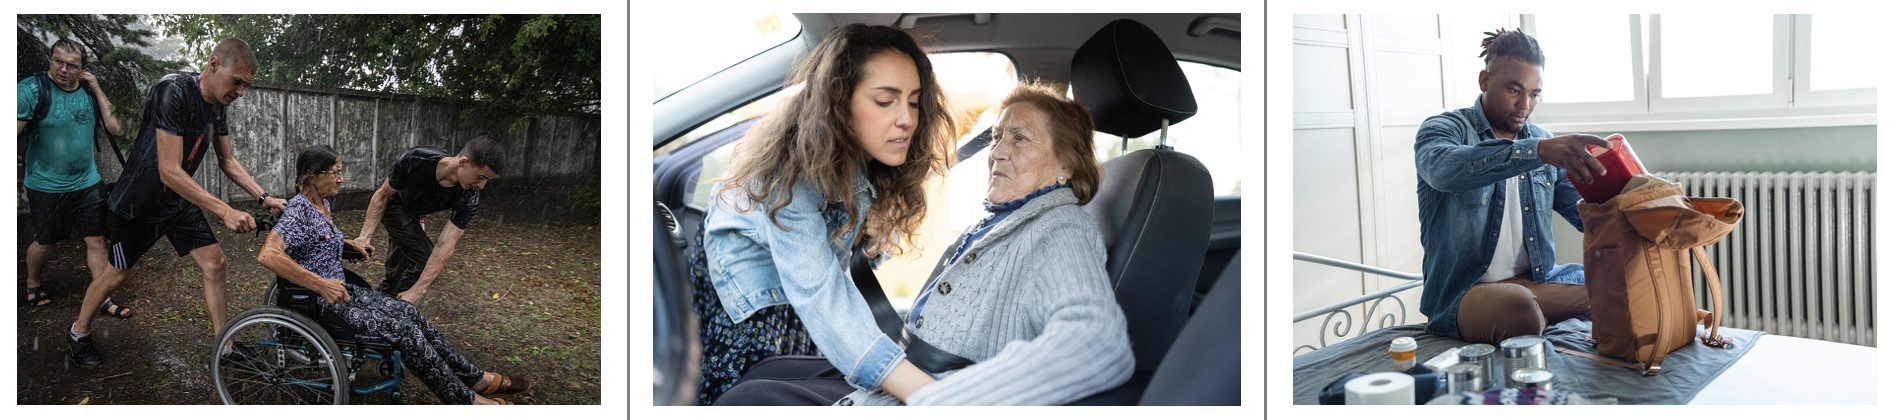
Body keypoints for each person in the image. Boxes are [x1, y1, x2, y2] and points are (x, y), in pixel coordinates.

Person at [715, 81, 1131, 406]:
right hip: (914, 375)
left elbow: (1095, 343)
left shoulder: (1060, 228)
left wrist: (941, 401)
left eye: (1020, 138)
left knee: (745, 401)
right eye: (997, 137)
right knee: (760, 377)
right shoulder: (1005, 222)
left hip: (930, 394)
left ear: (1067, 165)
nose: (997, 152)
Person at [689, 23, 957, 405]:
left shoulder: (865, 164)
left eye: (913, 102)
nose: (907, 120)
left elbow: (846, 271)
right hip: (755, 313)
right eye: (885, 101)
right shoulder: (788, 182)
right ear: (838, 104)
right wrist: (941, 399)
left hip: (799, 305)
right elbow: (823, 299)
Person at [67, 37, 288, 367]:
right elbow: (168, 170)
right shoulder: (173, 90)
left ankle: (224, 348)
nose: (240, 92)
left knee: (215, 265)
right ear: (214, 64)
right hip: (138, 204)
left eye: (245, 86)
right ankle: (78, 333)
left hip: (177, 200)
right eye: (238, 82)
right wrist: (223, 209)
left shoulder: (217, 107)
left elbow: (227, 161)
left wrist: (263, 196)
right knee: (116, 275)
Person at [254, 145, 529, 405]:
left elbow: (316, 242)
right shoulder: (299, 209)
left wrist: (349, 244)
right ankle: (465, 401)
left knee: (408, 312)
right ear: (313, 177)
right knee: (404, 331)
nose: (341, 179)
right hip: (322, 302)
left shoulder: (323, 205)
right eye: (336, 172)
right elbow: (268, 254)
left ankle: (475, 378)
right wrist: (321, 284)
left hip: (343, 292)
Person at [1413, 28, 1614, 344]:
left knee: (1620, 286)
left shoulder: (1543, 139)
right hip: (1466, 295)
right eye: (1514, 90)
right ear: (1485, 81)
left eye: (1535, 93)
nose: (1526, 104)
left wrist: (1638, 203)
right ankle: (1534, 317)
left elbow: (1588, 214)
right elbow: (1442, 170)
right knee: (1520, 308)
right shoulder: (1444, 130)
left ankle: (1540, 316)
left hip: (1537, 282)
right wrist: (1535, 152)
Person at [16, 39, 123, 310]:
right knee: (46, 240)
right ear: (50, 60)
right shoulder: (31, 90)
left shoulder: (88, 91)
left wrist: (97, 87)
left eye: (71, 65)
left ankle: (101, 296)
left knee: (97, 239)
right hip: (46, 183)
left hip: (88, 181)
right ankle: (33, 282)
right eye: (57, 61)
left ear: (82, 68)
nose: (63, 69)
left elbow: (116, 128)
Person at [353, 136, 504, 304]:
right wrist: (364, 237)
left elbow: (446, 245)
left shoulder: (469, 197)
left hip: (416, 215)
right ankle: (387, 303)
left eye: (486, 180)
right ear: (463, 163)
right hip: (394, 204)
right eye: (481, 177)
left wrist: (418, 291)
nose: (481, 185)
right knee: (423, 260)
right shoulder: (417, 159)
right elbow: (383, 194)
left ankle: (383, 301)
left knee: (401, 267)